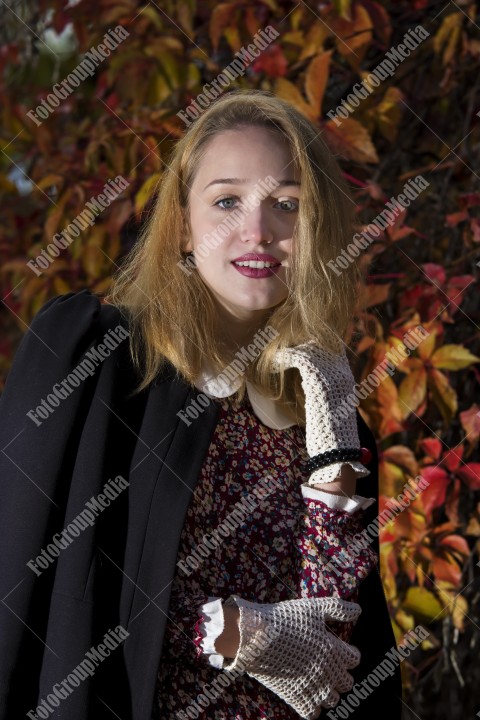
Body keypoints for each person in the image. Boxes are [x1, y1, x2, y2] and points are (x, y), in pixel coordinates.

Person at [0, 89, 402, 720]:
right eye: (226, 201)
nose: (258, 230)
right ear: (183, 225)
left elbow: (337, 640)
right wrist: (232, 631)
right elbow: (44, 588)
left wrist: (336, 451)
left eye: (287, 205)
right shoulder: (101, 363)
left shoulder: (327, 416)